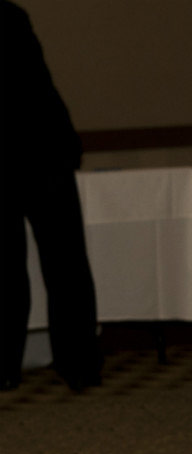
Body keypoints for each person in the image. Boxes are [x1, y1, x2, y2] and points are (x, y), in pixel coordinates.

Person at [2, 0, 103, 392]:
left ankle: (68, 362)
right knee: (59, 263)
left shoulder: (10, 17)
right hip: (44, 150)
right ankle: (77, 364)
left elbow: (29, 87)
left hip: (41, 150)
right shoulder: (12, 15)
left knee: (55, 263)